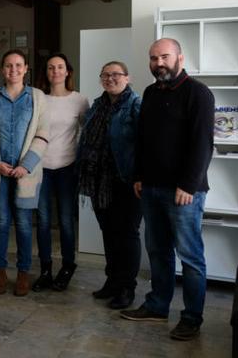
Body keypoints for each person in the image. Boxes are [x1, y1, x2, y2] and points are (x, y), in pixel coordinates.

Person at [121, 38, 214, 342]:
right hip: (150, 188)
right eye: (153, 58)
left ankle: (191, 317)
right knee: (158, 252)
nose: (158, 62)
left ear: (179, 58)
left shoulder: (198, 93)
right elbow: (143, 140)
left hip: (184, 192)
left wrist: (188, 184)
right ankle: (157, 306)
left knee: (190, 256)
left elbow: (202, 144)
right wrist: (139, 176)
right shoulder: (149, 92)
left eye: (164, 56)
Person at [0, 49, 49, 297]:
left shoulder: (38, 97)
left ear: (26, 69)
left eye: (18, 65)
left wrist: (26, 165)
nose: (13, 70)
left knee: (22, 224)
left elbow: (43, 133)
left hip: (25, 173)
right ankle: (0, 271)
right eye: (8, 66)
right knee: (1, 223)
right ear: (2, 69)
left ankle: (23, 272)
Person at [78, 61, 141, 310]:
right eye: (105, 75)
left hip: (126, 181)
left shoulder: (136, 105)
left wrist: (141, 176)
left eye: (116, 74)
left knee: (127, 235)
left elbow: (144, 144)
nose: (110, 78)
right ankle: (113, 281)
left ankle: (127, 287)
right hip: (99, 181)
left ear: (127, 77)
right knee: (109, 233)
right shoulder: (97, 104)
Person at [32, 53, 89, 292]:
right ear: (46, 73)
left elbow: (86, 133)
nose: (55, 71)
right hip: (41, 167)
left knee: (66, 221)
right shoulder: (38, 99)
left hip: (67, 167)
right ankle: (45, 269)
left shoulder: (80, 100)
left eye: (60, 67)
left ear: (68, 72)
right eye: (51, 67)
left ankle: (67, 266)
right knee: (43, 221)